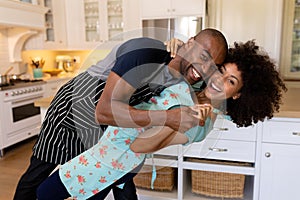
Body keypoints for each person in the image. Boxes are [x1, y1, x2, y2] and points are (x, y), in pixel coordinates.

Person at [35, 39, 287, 200]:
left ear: (238, 94)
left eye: (230, 81)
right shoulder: (196, 85)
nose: (219, 80)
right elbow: (183, 65)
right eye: (220, 71)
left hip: (108, 161)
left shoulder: (200, 123)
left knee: (43, 194)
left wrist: (174, 121)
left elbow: (140, 145)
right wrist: (178, 50)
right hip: (108, 150)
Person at [14, 28, 228, 200]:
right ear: (190, 44)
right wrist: (168, 117)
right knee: (39, 172)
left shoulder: (191, 77)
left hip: (111, 124)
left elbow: (222, 88)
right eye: (203, 55)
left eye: (213, 65)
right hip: (73, 108)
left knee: (114, 177)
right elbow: (105, 111)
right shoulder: (144, 53)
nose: (205, 68)